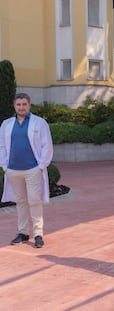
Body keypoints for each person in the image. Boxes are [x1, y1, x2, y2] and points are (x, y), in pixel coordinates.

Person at [0, 93, 53, 248]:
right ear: (14, 106)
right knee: (21, 202)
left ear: (29, 105)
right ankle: (23, 232)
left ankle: (38, 234)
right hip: (13, 171)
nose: (21, 107)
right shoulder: (6, 124)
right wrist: (4, 166)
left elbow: (47, 145)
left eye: (24, 104)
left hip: (33, 170)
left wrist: (41, 166)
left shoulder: (39, 123)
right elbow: (1, 146)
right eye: (18, 105)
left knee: (34, 201)